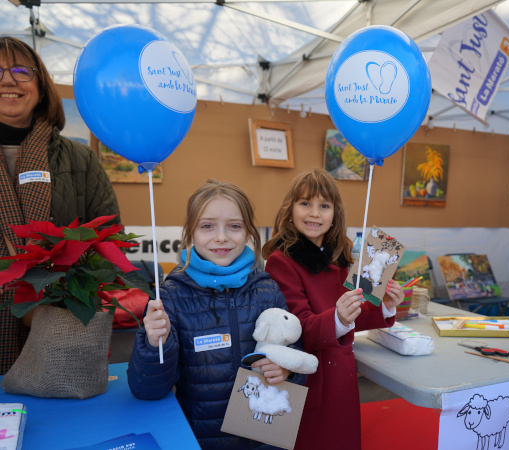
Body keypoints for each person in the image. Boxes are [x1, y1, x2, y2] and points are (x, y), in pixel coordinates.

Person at [127, 179, 300, 450]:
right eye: (207, 226)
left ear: (248, 232)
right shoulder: (171, 296)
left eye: (234, 226)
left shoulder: (266, 289)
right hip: (202, 440)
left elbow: (296, 358)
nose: (222, 237)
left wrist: (288, 370)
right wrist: (154, 344)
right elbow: (147, 390)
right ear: (190, 232)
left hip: (266, 438)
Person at [0, 36, 121, 375]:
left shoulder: (79, 158)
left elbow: (108, 240)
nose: (8, 80)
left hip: (63, 325)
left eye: (21, 70)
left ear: (40, 86)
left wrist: (64, 291)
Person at [262, 168, 404, 450]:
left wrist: (385, 307)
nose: (314, 213)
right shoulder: (282, 262)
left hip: (341, 381)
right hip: (312, 382)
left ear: (334, 215)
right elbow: (297, 329)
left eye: (324, 206)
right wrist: (338, 317)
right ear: (290, 210)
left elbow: (353, 316)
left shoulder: (339, 257)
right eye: (305, 203)